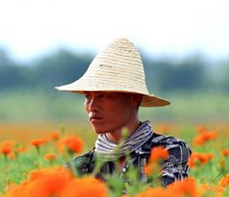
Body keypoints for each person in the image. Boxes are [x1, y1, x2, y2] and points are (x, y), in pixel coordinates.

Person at [56, 37, 191, 187]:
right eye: (88, 97)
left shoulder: (168, 150)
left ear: (134, 98)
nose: (92, 106)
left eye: (103, 96)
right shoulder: (79, 167)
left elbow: (165, 195)